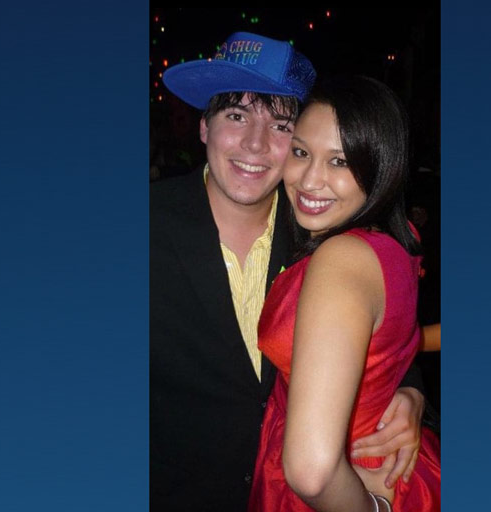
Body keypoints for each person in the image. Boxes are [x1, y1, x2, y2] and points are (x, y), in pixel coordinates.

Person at [150, 32, 427, 511]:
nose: (256, 144)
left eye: (280, 126)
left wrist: (411, 389)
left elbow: (379, 327)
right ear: (203, 127)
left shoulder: (321, 226)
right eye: (236, 116)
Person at [248, 76, 441, 511]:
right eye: (301, 153)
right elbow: (390, 342)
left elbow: (311, 471)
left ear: (380, 166)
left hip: (345, 487)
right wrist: (409, 389)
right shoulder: (392, 240)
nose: (310, 180)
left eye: (339, 161)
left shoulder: (342, 257)